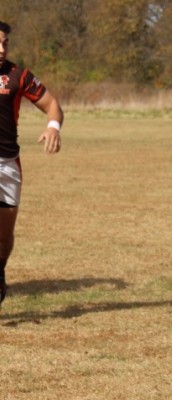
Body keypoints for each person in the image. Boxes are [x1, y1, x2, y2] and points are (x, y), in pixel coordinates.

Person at [0, 21, 63, 309]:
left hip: (7, 164)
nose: (2, 49)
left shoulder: (18, 75)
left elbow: (53, 105)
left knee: (4, 236)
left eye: (5, 43)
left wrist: (53, 128)